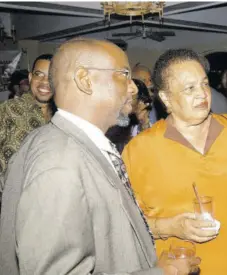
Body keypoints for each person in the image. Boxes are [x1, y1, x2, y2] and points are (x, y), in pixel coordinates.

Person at [0, 38, 197, 275]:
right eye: (124, 74)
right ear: (85, 80)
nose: (133, 88)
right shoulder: (59, 160)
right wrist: (162, 273)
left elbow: (105, 229)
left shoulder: (77, 143)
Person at [122, 48, 227, 275]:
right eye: (189, 88)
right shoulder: (140, 149)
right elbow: (126, 226)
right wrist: (172, 227)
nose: (202, 94)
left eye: (203, 84)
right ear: (165, 98)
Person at [0, 54, 54, 198]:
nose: (45, 82)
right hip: (12, 207)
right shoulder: (6, 111)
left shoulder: (64, 118)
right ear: (30, 78)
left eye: (51, 76)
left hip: (53, 205)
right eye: (39, 75)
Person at [106, 78, 153, 153]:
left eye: (132, 97)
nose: (126, 100)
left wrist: (144, 123)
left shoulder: (145, 124)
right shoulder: (113, 120)